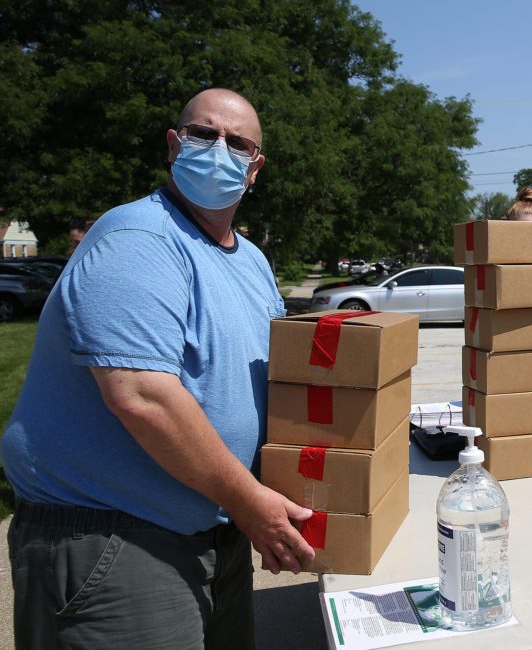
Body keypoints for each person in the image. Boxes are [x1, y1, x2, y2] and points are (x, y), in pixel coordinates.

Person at [2, 88, 316, 649]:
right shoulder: (139, 238)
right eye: (203, 134)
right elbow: (141, 396)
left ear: (255, 168)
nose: (220, 149)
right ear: (174, 145)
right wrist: (251, 504)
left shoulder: (250, 259)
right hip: (115, 535)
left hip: (214, 527)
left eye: (238, 143)